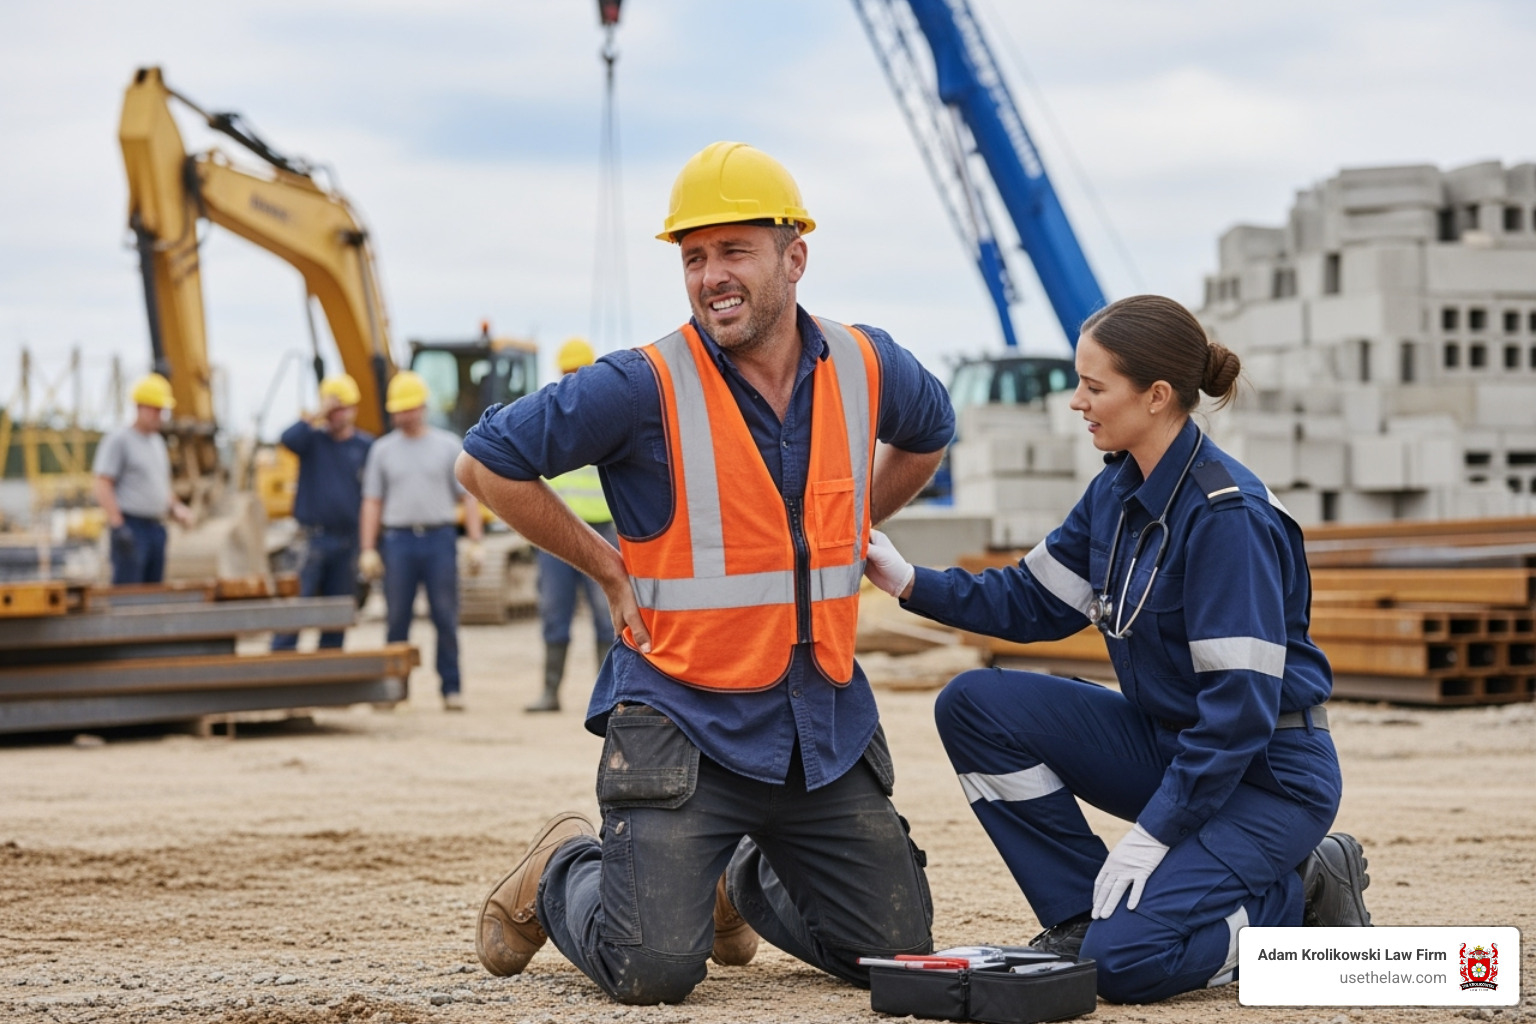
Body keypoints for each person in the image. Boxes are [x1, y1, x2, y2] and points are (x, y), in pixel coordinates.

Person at [455, 141, 955, 1005]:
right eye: (694, 258)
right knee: (653, 970)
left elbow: (930, 431)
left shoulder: (867, 362)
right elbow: (484, 464)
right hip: (685, 719)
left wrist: (850, 524)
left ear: (794, 258)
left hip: (817, 728)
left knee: (898, 957)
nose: (711, 276)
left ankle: (731, 882)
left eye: (734, 252)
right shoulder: (639, 384)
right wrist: (605, 566)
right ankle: (560, 870)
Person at [862, 294, 1374, 1004]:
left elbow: (1238, 715)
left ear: (1157, 396)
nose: (1076, 402)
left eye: (1094, 386)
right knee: (976, 705)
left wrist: (1155, 834)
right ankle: (1081, 916)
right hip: (1172, 746)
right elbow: (1032, 600)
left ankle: (1295, 895)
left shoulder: (1231, 520)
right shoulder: (1117, 494)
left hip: (1263, 778)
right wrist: (911, 581)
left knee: (1128, 966)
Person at [358, 370, 483, 711]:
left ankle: (451, 688)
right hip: (398, 541)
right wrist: (368, 548)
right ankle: (392, 689)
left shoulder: (447, 446)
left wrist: (475, 540)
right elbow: (372, 501)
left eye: (407, 409)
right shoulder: (382, 451)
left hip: (439, 539)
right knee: (397, 617)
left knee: (445, 616)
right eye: (397, 410)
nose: (402, 416)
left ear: (421, 407)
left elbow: (468, 495)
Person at [525, 337, 619, 713]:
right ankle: (550, 692)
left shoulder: (611, 418)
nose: (572, 379)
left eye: (577, 372)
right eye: (567, 373)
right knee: (555, 612)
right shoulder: (550, 418)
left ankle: (609, 696)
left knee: (607, 615)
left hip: (604, 530)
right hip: (557, 535)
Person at [271, 373, 374, 651]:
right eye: (332, 410)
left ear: (353, 409)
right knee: (295, 607)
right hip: (312, 540)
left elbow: (373, 496)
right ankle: (279, 663)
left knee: (336, 614)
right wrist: (318, 412)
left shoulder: (365, 447)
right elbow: (287, 438)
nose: (336, 416)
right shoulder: (312, 441)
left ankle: (329, 664)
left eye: (341, 409)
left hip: (348, 541)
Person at [92, 373, 193, 584]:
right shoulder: (120, 440)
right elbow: (102, 484)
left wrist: (176, 508)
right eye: (155, 409)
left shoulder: (157, 443)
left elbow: (159, 486)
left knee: (153, 592)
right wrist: (119, 526)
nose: (160, 415)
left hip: (156, 528)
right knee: (129, 594)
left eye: (162, 410)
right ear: (139, 407)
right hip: (132, 527)